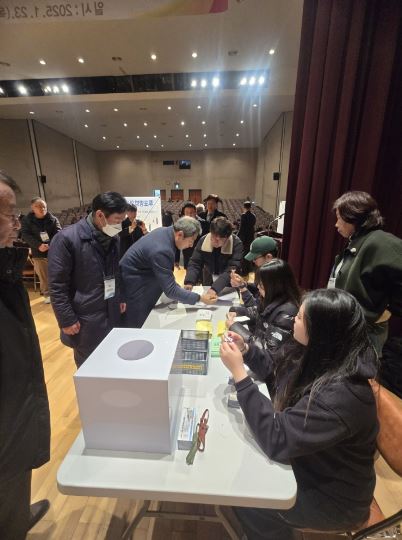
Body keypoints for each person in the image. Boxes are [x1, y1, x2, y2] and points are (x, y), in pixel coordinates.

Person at [220, 288, 378, 540]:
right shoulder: (322, 354)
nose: (294, 318)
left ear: (321, 331)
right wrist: (247, 351)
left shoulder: (341, 395)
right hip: (310, 461)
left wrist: (240, 376)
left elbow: (277, 439)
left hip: (333, 498)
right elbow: (276, 373)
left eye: (301, 317)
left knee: (247, 497)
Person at [0, 171, 51, 538]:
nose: (16, 224)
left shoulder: (6, 265)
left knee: (14, 474)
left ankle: (15, 516)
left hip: (15, 408)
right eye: (9, 214)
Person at [48, 191, 127, 367]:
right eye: (117, 220)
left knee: (111, 360)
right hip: (85, 318)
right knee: (89, 366)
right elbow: (57, 285)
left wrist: (120, 296)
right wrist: (66, 319)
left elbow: (116, 271)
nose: (120, 225)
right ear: (100, 215)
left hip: (111, 309)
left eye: (122, 220)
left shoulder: (114, 238)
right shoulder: (66, 239)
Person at [331, 190, 402, 355]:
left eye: (340, 218)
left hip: (366, 332)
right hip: (350, 326)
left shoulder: (381, 242)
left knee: (359, 370)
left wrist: (388, 309)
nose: (336, 224)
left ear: (354, 217)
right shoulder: (358, 240)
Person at [120, 216, 217, 328]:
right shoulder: (162, 249)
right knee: (141, 323)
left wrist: (179, 290)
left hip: (142, 275)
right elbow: (170, 290)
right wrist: (200, 298)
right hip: (134, 284)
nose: (191, 245)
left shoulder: (165, 231)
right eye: (191, 241)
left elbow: (167, 276)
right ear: (180, 234)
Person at [227, 259, 300, 350]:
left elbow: (267, 350)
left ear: (275, 285)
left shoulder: (287, 312)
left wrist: (235, 327)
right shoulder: (273, 298)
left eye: (261, 284)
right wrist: (237, 311)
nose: (258, 287)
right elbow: (258, 312)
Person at [184, 217, 243, 294]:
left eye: (219, 239)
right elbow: (195, 262)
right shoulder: (203, 240)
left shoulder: (236, 243)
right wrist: (189, 281)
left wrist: (215, 289)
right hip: (209, 274)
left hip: (228, 280)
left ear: (227, 237)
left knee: (228, 298)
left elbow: (232, 269)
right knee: (207, 297)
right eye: (213, 237)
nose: (215, 241)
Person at [21, 197, 61, 303]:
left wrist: (50, 245)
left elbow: (58, 234)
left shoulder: (53, 219)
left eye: (43, 206)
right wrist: (39, 245)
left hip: (53, 251)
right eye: (38, 206)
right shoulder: (27, 220)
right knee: (43, 275)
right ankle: (47, 294)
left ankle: (59, 293)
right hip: (38, 252)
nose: (42, 208)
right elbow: (25, 235)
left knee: (57, 273)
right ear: (32, 208)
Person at [174, 202, 208, 269]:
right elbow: (177, 242)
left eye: (191, 212)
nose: (189, 215)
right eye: (187, 212)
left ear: (195, 212)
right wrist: (176, 259)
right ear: (184, 214)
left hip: (201, 256)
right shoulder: (180, 225)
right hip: (187, 255)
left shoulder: (204, 224)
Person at [237, 201, 256, 275]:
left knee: (244, 254)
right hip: (251, 237)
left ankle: (244, 271)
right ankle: (249, 270)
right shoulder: (253, 216)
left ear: (244, 207)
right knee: (249, 253)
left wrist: (237, 235)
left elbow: (241, 228)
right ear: (250, 207)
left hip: (244, 238)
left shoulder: (243, 215)